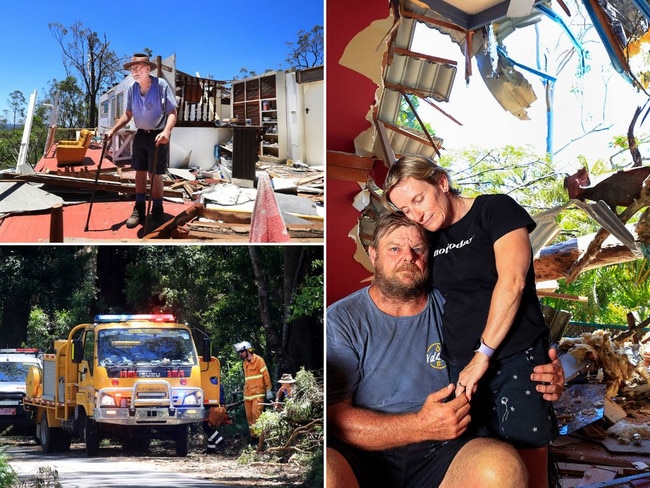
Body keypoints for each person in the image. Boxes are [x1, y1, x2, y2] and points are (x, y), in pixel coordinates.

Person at [327, 213, 565, 487]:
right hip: (363, 455)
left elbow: (507, 351)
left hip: (443, 452)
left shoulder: (455, 307)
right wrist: (419, 425)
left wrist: (543, 373)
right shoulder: (342, 319)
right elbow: (335, 419)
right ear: (374, 254)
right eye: (394, 249)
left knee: (502, 468)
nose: (408, 257)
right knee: (326, 473)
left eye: (418, 249)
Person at [382, 154, 559, 488]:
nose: (416, 214)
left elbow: (513, 282)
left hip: (514, 358)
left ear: (441, 183)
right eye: (406, 209)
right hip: (461, 370)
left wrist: (483, 355)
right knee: (482, 467)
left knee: (530, 469)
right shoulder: (429, 239)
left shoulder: (495, 210)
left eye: (419, 199)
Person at [106, 53, 178, 230]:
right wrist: (113, 130)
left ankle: (158, 209)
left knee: (155, 174)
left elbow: (172, 112)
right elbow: (128, 114)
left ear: (147, 68)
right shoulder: (132, 89)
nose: (134, 71)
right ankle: (139, 209)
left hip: (157, 135)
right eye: (132, 68)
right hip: (140, 134)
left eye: (137, 67)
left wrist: (167, 132)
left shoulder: (160, 85)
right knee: (139, 172)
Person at [234, 341, 273, 443]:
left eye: (242, 351)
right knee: (249, 417)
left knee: (256, 415)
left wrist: (268, 389)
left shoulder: (259, 360)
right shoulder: (245, 363)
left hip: (258, 393)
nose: (240, 354)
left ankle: (261, 439)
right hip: (248, 394)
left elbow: (266, 375)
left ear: (247, 350)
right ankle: (254, 438)